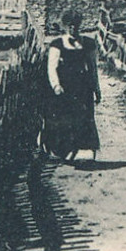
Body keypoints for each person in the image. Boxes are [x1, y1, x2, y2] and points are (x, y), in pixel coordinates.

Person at [42, 10, 101, 161]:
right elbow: (52, 68)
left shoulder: (88, 43)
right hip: (64, 88)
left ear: (79, 26)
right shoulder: (57, 44)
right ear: (65, 27)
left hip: (83, 87)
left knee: (84, 118)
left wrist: (96, 89)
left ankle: (84, 151)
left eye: (75, 26)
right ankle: (66, 150)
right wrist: (56, 85)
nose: (73, 29)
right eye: (70, 26)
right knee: (66, 119)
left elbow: (93, 67)